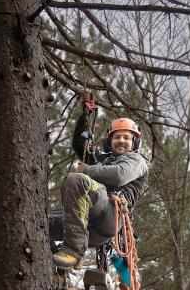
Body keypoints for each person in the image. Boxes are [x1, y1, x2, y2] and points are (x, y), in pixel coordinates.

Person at [52, 110, 149, 270]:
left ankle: (73, 250)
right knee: (43, 222)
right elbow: (80, 145)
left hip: (110, 216)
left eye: (126, 138)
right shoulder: (102, 160)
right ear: (109, 141)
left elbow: (120, 175)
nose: (121, 141)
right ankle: (59, 273)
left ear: (135, 142)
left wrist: (87, 171)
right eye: (117, 137)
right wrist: (84, 118)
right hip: (87, 226)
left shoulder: (137, 160)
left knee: (76, 180)